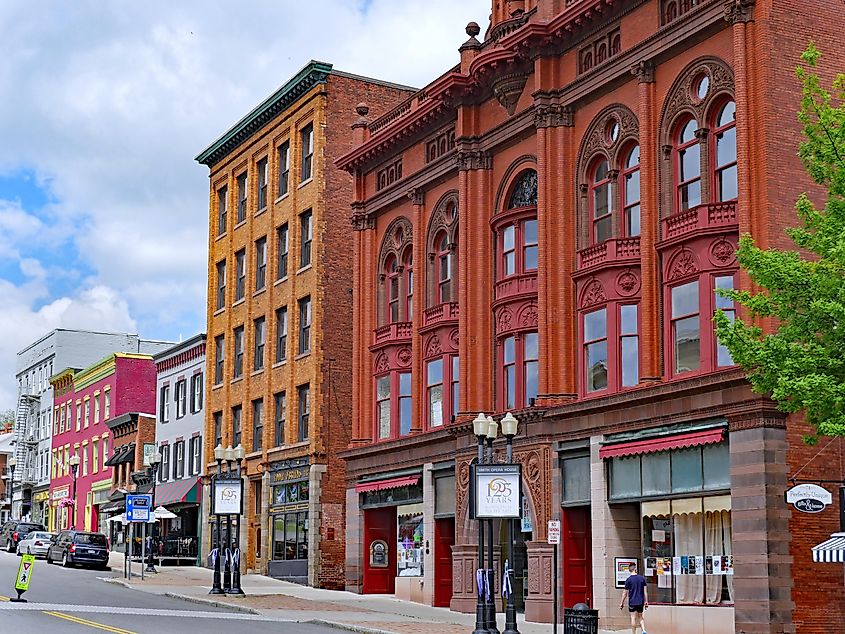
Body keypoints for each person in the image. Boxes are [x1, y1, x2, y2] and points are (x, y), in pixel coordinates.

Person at [619, 561, 648, 634]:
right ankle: (643, 630)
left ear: (629, 570)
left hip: (632, 601)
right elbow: (645, 591)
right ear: (635, 569)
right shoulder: (642, 578)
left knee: (633, 617)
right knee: (640, 617)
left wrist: (621, 603)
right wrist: (646, 601)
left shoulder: (628, 580)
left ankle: (634, 633)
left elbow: (625, 593)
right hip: (640, 601)